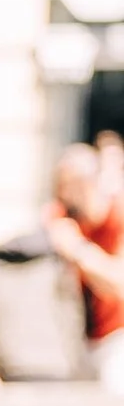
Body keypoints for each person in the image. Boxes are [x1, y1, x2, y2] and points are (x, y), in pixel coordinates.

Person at [45, 137, 124, 388]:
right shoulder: (60, 216)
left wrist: (79, 250)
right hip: (74, 339)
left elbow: (119, 284)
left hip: (115, 336)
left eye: (64, 187)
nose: (60, 196)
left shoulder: (117, 217)